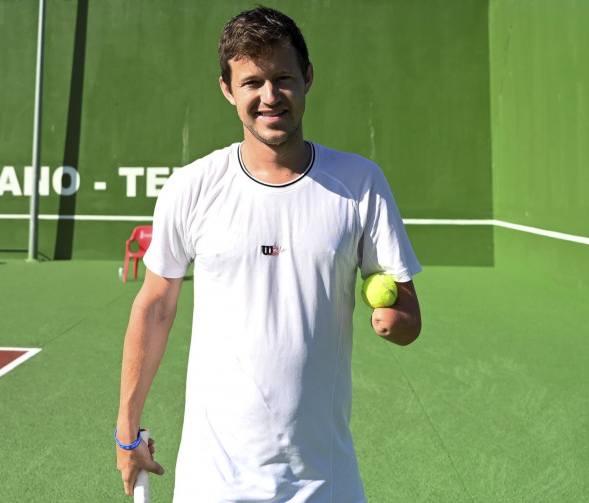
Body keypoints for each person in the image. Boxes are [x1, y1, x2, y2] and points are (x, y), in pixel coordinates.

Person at [116, 6, 422, 502]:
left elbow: (408, 309)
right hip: (212, 482)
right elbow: (154, 307)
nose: (270, 96)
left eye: (283, 78)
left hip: (324, 481)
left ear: (308, 78)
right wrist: (126, 434)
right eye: (252, 82)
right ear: (226, 89)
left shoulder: (361, 183)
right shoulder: (191, 187)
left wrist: (397, 321)